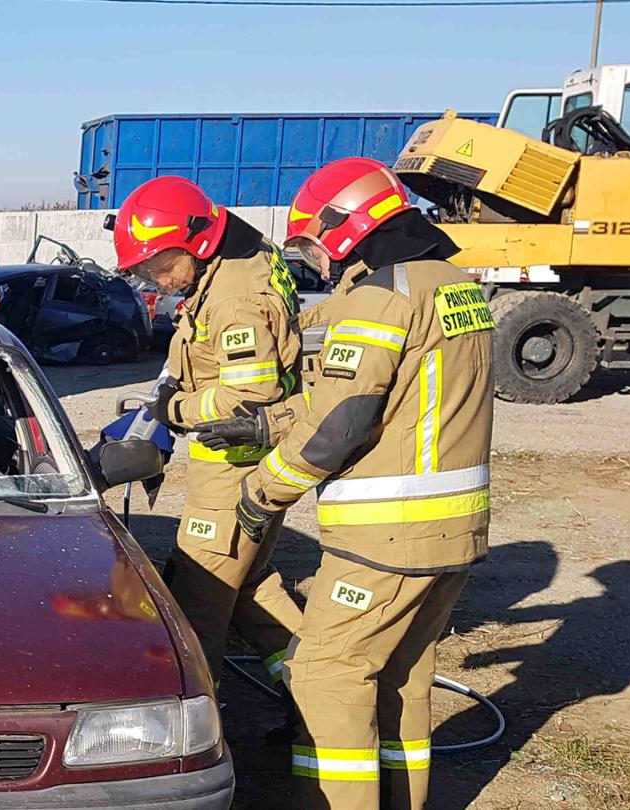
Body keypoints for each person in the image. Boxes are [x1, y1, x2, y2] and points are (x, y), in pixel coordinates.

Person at [195, 157, 495, 810]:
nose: (314, 259)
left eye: (310, 243)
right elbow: (371, 397)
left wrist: (263, 490)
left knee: (326, 677)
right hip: (453, 533)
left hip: (386, 537)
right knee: (400, 682)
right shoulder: (452, 282)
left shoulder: (377, 295)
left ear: (342, 226)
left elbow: (346, 421)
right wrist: (267, 425)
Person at [105, 176, 304, 688]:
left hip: (234, 468)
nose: (158, 281)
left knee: (198, 605)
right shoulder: (229, 264)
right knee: (249, 588)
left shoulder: (234, 297)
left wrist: (174, 409)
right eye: (146, 272)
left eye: (162, 266)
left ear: (198, 240)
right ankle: (318, 693)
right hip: (249, 463)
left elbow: (245, 396)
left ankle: (198, 718)